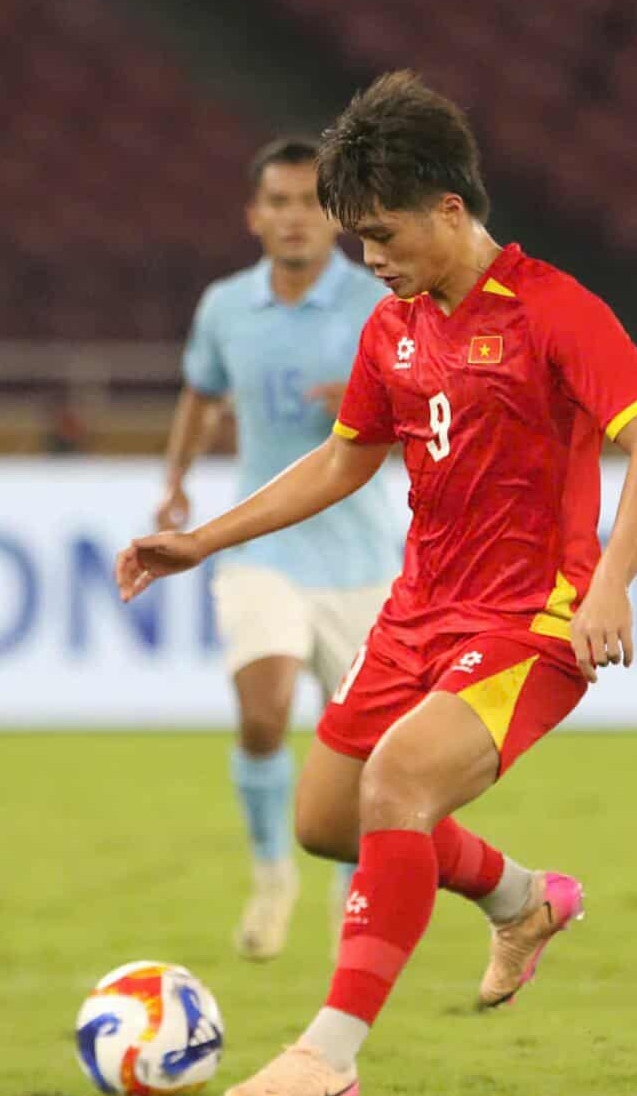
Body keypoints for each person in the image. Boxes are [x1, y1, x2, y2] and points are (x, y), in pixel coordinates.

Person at [118, 70, 637, 1096]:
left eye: (381, 235)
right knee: (327, 819)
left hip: (533, 619)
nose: (368, 259)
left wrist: (610, 582)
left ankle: (327, 1054)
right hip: (416, 609)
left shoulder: (554, 311)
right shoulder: (395, 326)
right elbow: (344, 461)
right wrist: (202, 538)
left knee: (396, 784)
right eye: (357, 241)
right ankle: (522, 898)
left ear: (449, 208)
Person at [158, 136, 402, 960]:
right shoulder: (226, 306)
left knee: (368, 749)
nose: (295, 218)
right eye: (280, 202)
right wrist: (177, 480)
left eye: (310, 202)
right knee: (262, 714)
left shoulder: (382, 303)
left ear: (334, 217)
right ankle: (271, 873)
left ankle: (347, 883)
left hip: (364, 559)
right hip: (263, 546)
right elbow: (201, 392)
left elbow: (439, 412)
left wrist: (379, 409)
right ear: (254, 215)